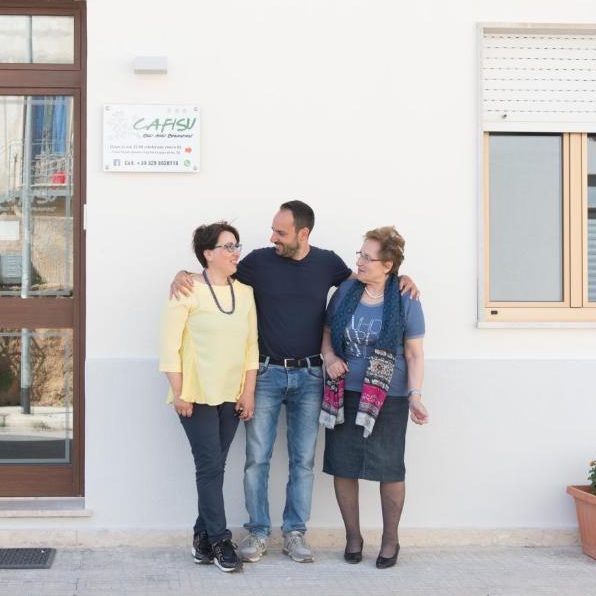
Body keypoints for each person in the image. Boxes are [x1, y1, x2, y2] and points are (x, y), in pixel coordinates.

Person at [171, 201, 419, 564]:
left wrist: (403, 279)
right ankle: (257, 533)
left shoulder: (328, 263)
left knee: (303, 460)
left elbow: (368, 277)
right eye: (273, 230)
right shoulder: (258, 262)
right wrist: (182, 273)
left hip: (311, 376)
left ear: (303, 234)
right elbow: (215, 273)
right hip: (267, 373)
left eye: (281, 233)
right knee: (257, 459)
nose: (273, 238)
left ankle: (295, 533)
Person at [320, 226, 428, 569]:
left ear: (388, 264)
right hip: (343, 394)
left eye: (368, 257)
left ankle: (390, 539)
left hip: (389, 397)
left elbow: (414, 354)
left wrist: (415, 396)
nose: (360, 261)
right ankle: (353, 537)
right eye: (360, 254)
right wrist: (330, 358)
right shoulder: (346, 291)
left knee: (390, 470)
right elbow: (325, 335)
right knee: (342, 466)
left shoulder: (406, 298)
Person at [159, 221, 258, 573]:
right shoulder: (186, 289)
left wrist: (248, 392)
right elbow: (169, 346)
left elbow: (251, 347)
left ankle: (201, 537)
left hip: (231, 396)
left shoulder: (244, 293)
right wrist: (179, 391)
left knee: (216, 466)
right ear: (209, 254)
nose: (235, 252)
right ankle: (219, 540)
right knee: (209, 465)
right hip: (195, 395)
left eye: (236, 245)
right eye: (228, 246)